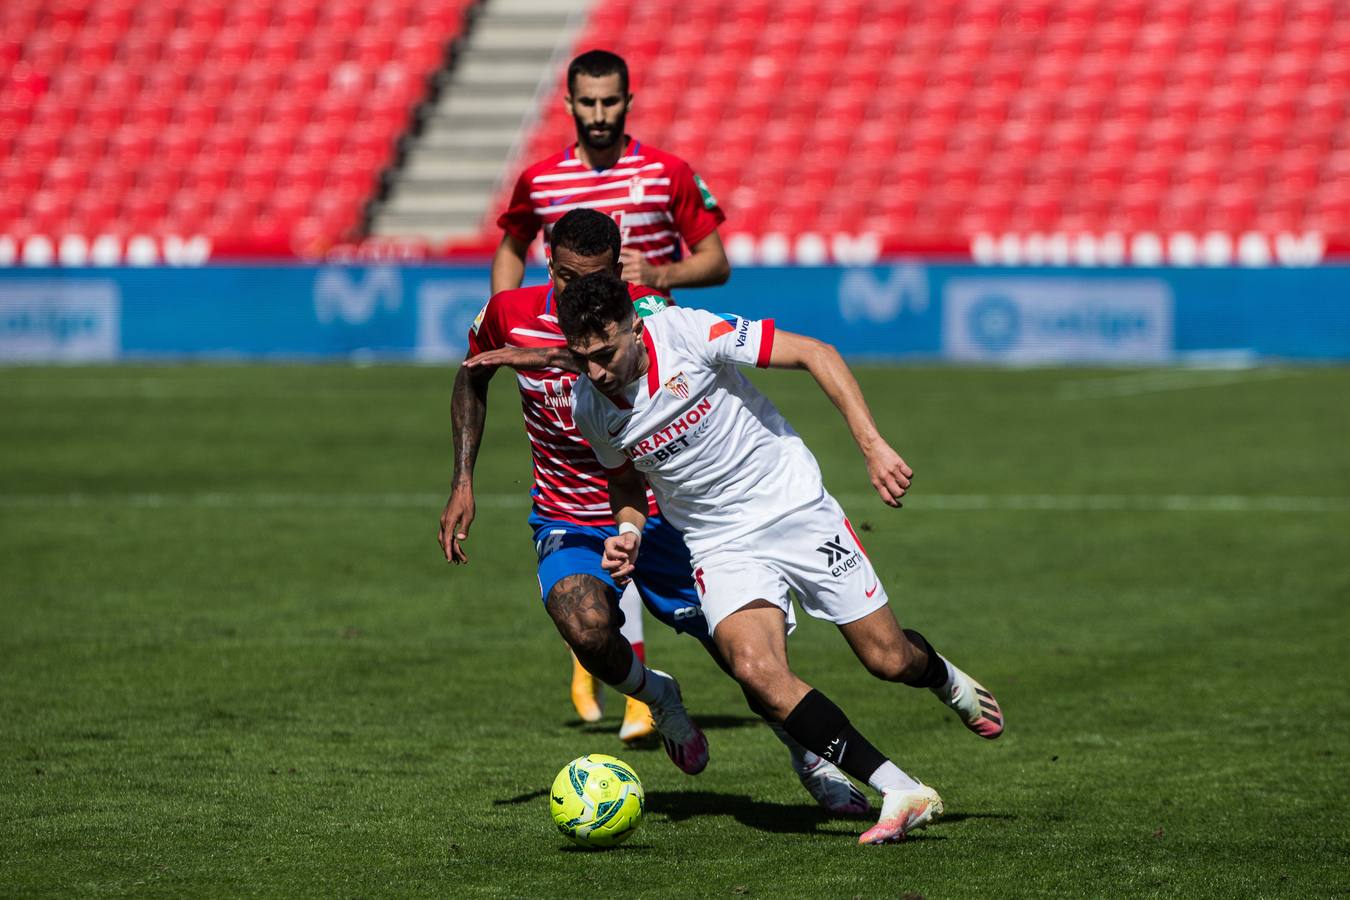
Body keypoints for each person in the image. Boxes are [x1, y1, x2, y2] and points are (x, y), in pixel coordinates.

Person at [439, 209, 868, 813]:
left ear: (617, 273)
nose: (574, 293)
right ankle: (658, 696)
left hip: (662, 512)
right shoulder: (508, 312)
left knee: (745, 658)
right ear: (547, 265)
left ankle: (810, 755)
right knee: (582, 622)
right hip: (570, 510)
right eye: (562, 277)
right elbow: (473, 374)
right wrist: (463, 478)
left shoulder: (649, 315)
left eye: (589, 277)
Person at [559, 271, 1006, 845]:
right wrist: (628, 530)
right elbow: (623, 481)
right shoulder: (588, 405)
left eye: (605, 353)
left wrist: (872, 446)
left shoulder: (690, 334)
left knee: (889, 660)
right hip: (718, 543)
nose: (596, 371)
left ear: (632, 326)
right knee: (755, 671)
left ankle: (943, 678)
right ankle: (899, 788)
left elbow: (816, 352)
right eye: (582, 358)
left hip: (794, 507)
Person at [491, 47, 732, 730]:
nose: (599, 115)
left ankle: (695, 670)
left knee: (647, 509)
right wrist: (516, 324)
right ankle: (632, 685)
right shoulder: (540, 181)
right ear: (568, 105)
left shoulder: (666, 173)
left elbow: (715, 261)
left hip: (649, 370)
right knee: (599, 507)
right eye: (587, 103)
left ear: (628, 101)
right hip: (578, 373)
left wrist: (661, 272)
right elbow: (511, 245)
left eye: (610, 102)